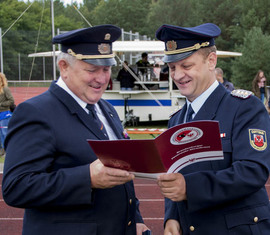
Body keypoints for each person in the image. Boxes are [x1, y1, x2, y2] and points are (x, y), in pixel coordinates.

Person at [2, 25, 149, 235]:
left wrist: (135, 219)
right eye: (91, 70)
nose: (101, 79)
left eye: (106, 69)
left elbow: (121, 174)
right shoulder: (35, 112)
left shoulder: (105, 109)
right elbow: (16, 187)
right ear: (64, 66)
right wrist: (86, 178)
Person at [155, 23, 270, 235]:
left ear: (211, 61)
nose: (178, 75)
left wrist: (189, 187)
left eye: (186, 66)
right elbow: (174, 176)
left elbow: (253, 171)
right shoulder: (176, 121)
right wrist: (171, 217)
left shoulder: (244, 108)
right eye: (172, 68)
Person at [0, 72, 14, 156]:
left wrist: (1, 104)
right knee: (0, 134)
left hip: (5, 114)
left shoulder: (5, 89)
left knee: (4, 132)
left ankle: (8, 150)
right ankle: (2, 150)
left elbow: (11, 100)